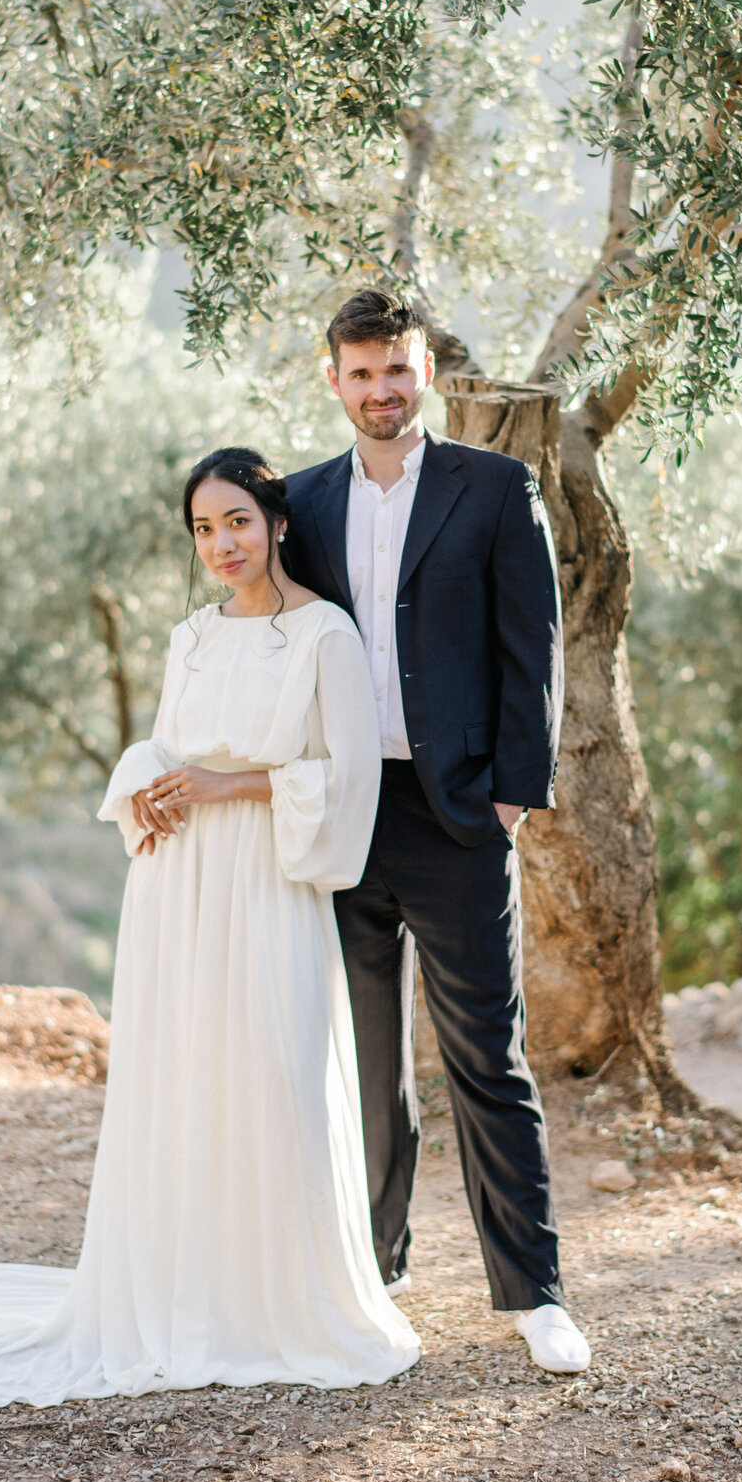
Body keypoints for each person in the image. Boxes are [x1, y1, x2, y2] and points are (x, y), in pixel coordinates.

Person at [0, 447, 418, 1406]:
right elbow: (168, 746)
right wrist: (149, 785)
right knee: (186, 1077)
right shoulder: (189, 637)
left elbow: (352, 782)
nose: (221, 544)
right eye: (203, 529)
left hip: (267, 880)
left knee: (271, 1072)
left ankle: (276, 1298)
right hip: (179, 885)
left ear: (277, 523)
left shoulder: (326, 637)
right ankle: (184, 1289)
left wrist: (237, 783)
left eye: (237, 522)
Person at [284, 289, 591, 1375]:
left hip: (458, 810)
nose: (381, 390)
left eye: (398, 370)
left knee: (485, 1055)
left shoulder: (496, 487)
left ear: (428, 375)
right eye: (361, 372)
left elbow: (534, 651)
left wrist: (512, 794)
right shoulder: (303, 501)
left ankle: (534, 1292)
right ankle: (381, 1269)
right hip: (344, 812)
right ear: (335, 379)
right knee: (367, 1055)